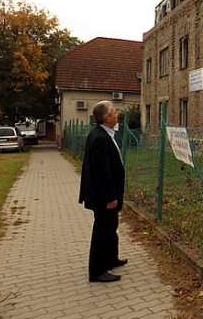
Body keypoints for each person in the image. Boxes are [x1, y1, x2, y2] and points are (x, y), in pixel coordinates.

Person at [79, 100, 128, 282]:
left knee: (111, 227)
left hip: (106, 194)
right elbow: (102, 170)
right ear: (107, 118)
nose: (117, 114)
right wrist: (110, 196)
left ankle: (110, 258)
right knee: (102, 231)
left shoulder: (103, 134)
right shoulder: (99, 138)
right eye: (114, 112)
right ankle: (97, 271)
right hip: (103, 196)